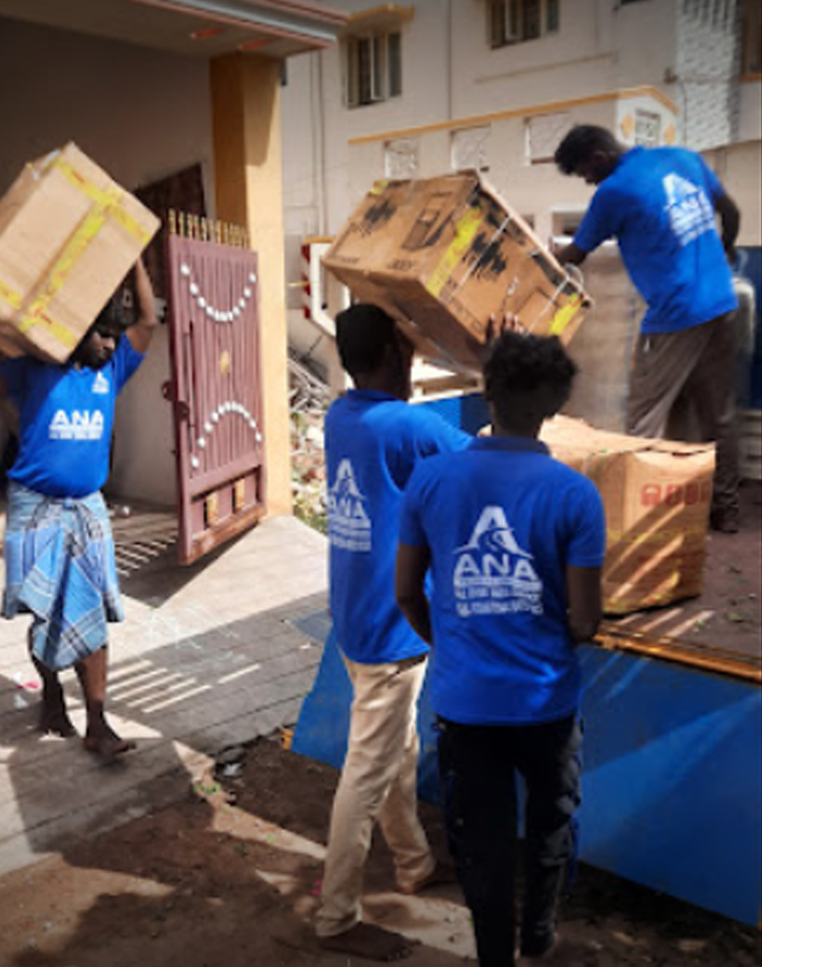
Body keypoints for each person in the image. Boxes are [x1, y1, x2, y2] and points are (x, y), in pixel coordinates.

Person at [395, 330, 606, 967]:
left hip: (466, 705)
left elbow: (406, 592)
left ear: (488, 394)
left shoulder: (431, 479)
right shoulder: (575, 495)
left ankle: (494, 956)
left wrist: (451, 642)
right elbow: (585, 622)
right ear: (556, 405)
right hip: (546, 705)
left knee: (480, 844)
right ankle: (538, 938)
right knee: (548, 826)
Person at [0, 258, 157, 758]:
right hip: (34, 506)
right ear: (73, 333)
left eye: (114, 336)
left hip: (87, 509)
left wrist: (133, 258)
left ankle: (98, 722)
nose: (110, 344)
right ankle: (52, 696)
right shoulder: (35, 370)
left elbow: (148, 320)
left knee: (92, 613)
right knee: (45, 612)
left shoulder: (113, 370)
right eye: (101, 335)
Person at [316, 303, 471, 962]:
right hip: (393, 624)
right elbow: (489, 458)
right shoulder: (408, 427)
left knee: (397, 751)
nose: (413, 356)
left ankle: (413, 863)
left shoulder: (340, 416)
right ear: (391, 355)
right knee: (368, 770)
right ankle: (335, 915)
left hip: (356, 614)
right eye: (406, 346)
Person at [553, 124, 743, 533]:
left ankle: (638, 521)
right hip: (721, 301)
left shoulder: (615, 191)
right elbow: (732, 213)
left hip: (675, 315)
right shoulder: (684, 158)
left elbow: (576, 254)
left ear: (598, 158)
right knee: (718, 415)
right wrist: (720, 259)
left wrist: (541, 260)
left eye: (585, 174)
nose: (588, 183)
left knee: (643, 419)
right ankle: (725, 509)